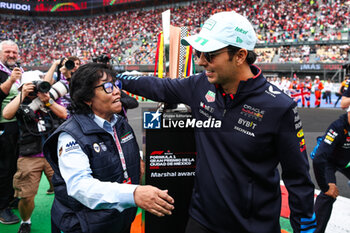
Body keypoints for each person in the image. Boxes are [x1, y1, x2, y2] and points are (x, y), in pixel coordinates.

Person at [118, 11, 316, 233]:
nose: (201, 61)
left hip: (253, 227)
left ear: (240, 56)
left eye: (209, 54)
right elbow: (159, 87)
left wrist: (305, 225)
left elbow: (297, 176)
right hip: (201, 221)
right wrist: (116, 78)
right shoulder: (200, 85)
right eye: (199, 53)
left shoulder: (280, 106)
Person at [43, 63, 174, 233]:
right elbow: (80, 186)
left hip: (119, 220)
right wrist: (133, 194)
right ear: (86, 98)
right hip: (84, 225)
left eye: (116, 84)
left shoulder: (119, 123)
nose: (117, 91)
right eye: (107, 87)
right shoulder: (69, 135)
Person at [2, 71, 67, 233]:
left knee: (65, 192)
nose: (34, 91)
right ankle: (26, 221)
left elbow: (65, 115)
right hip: (29, 154)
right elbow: (6, 114)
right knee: (26, 196)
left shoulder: (50, 98)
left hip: (54, 153)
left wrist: (48, 101)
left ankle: (66, 220)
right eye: (30, 86)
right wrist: (22, 95)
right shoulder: (20, 102)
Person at [311, 113, 350, 233]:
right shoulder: (337, 127)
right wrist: (325, 187)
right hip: (329, 161)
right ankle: (314, 231)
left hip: (346, 160)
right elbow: (319, 158)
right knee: (329, 195)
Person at [0, 40, 21, 225]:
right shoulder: (6, 74)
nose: (11, 55)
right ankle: (2, 207)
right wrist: (11, 80)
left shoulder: (16, 71)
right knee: (4, 168)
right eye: (7, 52)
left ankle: (10, 198)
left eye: (14, 52)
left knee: (13, 166)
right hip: (2, 126)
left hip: (16, 125)